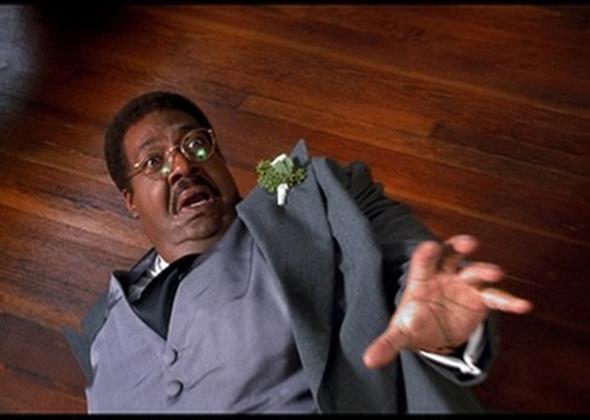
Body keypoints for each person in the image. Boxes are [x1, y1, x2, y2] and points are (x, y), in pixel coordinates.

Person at [64, 91, 532, 413]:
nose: (183, 165)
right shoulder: (104, 331)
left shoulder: (320, 201)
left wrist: (447, 339)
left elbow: (411, 263)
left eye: (196, 144)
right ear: (129, 200)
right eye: (154, 161)